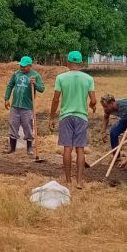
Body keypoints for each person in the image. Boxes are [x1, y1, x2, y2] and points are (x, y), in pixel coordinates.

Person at [49, 51, 96, 189]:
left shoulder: (61, 78)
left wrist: (52, 116)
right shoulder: (88, 79)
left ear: (68, 62)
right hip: (81, 116)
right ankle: (80, 181)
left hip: (66, 116)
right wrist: (92, 106)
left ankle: (68, 181)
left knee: (67, 149)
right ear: (80, 63)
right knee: (80, 149)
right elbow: (93, 100)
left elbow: (56, 99)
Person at [4, 56, 45, 156]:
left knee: (27, 126)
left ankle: (29, 148)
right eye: (21, 66)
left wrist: (35, 84)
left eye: (24, 66)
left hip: (27, 107)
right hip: (15, 105)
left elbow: (42, 89)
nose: (21, 68)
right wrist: (6, 99)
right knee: (13, 124)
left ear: (30, 66)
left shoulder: (35, 75)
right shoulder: (16, 74)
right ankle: (12, 148)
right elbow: (10, 86)